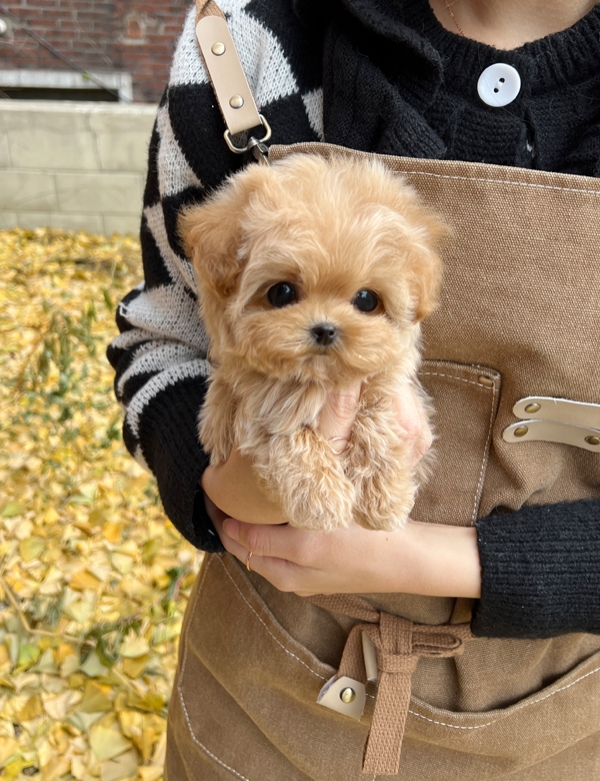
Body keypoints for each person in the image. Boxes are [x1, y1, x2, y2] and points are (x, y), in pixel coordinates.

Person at [108, 0, 600, 777]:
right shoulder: (247, 47)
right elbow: (165, 333)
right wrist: (232, 485)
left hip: (555, 727)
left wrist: (432, 559)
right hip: (254, 710)